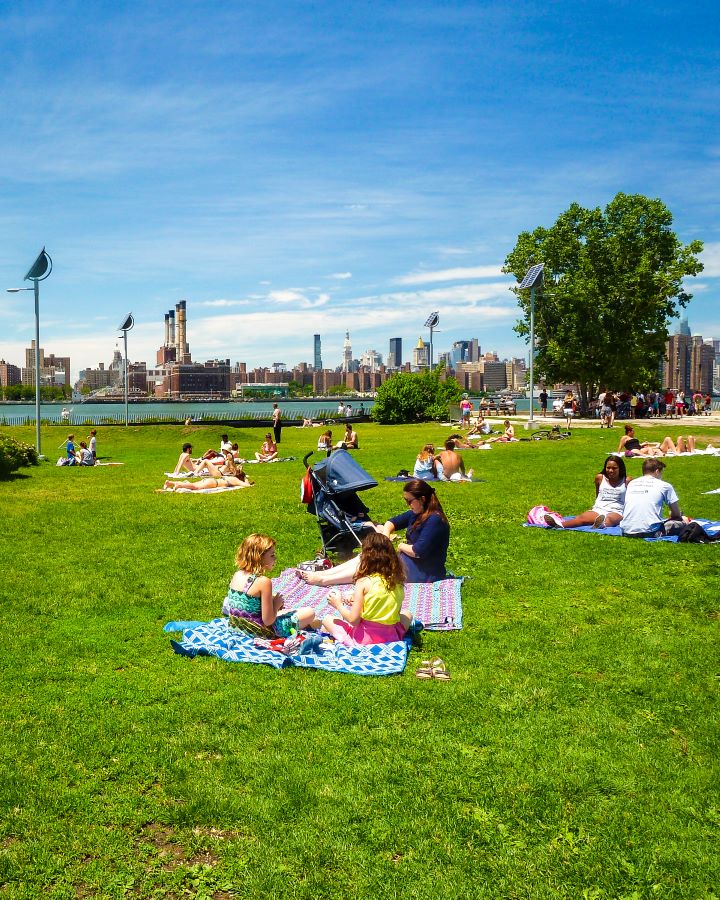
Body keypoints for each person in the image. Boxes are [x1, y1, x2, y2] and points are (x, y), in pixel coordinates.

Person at [299, 479, 451, 585]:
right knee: (366, 555)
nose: (408, 504)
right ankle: (324, 575)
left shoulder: (434, 520)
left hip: (423, 572)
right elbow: (392, 522)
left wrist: (399, 546)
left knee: (373, 562)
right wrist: (385, 537)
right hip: (410, 562)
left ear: (422, 499)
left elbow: (417, 551)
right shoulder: (417, 512)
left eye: (409, 501)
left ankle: (324, 580)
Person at [322, 532, 411, 646]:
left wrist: (338, 604)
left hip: (365, 639)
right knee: (407, 614)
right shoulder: (397, 582)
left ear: (366, 557)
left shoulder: (363, 582)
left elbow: (354, 620)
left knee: (327, 619)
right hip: (391, 637)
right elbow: (392, 614)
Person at [222, 534, 318, 634]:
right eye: (272, 555)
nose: (275, 558)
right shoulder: (263, 582)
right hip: (260, 633)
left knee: (288, 611)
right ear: (259, 557)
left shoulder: (237, 574)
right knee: (309, 612)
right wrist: (276, 604)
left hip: (238, 627)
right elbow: (268, 621)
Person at [544, 456, 631, 529]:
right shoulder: (600, 478)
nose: (610, 470)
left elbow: (631, 499)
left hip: (617, 510)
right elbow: (598, 495)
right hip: (599, 508)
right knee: (582, 518)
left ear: (620, 468)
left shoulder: (627, 480)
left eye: (614, 468)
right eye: (608, 468)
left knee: (610, 519)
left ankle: (601, 524)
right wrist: (596, 508)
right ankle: (559, 525)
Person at [620, 459, 687, 538]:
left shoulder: (632, 483)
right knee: (683, 521)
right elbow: (676, 514)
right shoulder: (665, 486)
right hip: (650, 532)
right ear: (657, 471)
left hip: (626, 530)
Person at [161, 458, 254, 491]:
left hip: (211, 481)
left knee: (194, 485)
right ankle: (178, 484)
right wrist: (245, 478)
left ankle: (170, 482)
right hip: (212, 483)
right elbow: (247, 486)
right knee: (195, 487)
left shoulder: (231, 478)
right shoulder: (236, 480)